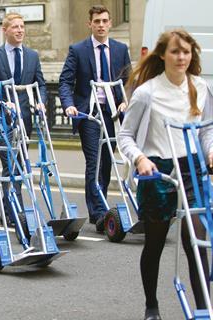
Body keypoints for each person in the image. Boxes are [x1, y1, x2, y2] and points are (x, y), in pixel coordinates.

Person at [118, 30, 213, 320]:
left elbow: (207, 129)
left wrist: (210, 151)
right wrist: (140, 158)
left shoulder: (200, 86)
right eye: (175, 52)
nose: (181, 57)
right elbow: (125, 135)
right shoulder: (147, 92)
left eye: (186, 52)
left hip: (192, 169)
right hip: (158, 170)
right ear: (162, 55)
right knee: (156, 243)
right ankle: (151, 306)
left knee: (197, 242)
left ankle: (204, 309)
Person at [58, 4, 131, 232]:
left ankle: (100, 208)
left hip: (112, 112)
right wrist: (69, 106)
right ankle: (99, 213)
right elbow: (65, 82)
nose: (101, 25)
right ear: (89, 24)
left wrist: (124, 100)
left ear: (110, 24)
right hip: (89, 112)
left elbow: (128, 81)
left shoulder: (120, 49)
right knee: (95, 161)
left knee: (108, 162)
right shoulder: (78, 50)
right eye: (96, 21)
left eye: (104, 21)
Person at [0, 12, 47, 227]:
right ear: (5, 29)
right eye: (15, 27)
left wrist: (41, 102)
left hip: (25, 119)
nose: (20, 30)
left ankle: (10, 211)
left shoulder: (32, 56)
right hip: (2, 121)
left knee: (20, 165)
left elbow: (41, 84)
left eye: (22, 26)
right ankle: (14, 212)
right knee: (10, 165)